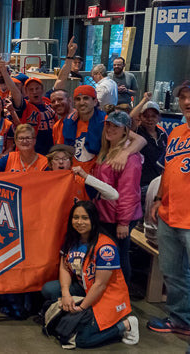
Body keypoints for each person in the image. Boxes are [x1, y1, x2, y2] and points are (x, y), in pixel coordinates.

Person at [40, 201, 139, 348]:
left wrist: (81, 308)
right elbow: (65, 267)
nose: (79, 222)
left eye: (85, 218)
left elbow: (100, 284)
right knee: (50, 289)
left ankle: (127, 324)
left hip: (106, 295)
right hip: (85, 288)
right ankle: (79, 317)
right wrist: (66, 293)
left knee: (82, 340)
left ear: (93, 219)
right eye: (76, 217)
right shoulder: (72, 239)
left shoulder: (106, 247)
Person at [148, 81, 190, 336]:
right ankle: (181, 319)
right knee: (172, 274)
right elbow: (168, 169)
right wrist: (158, 198)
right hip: (169, 214)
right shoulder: (176, 133)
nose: (187, 102)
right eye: (183, 98)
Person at [91, 111, 143, 283]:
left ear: (125, 131)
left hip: (117, 218)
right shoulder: (107, 151)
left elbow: (129, 192)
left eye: (116, 126)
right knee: (110, 257)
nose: (111, 129)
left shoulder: (129, 158)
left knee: (118, 258)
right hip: (105, 215)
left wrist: (123, 222)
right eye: (109, 124)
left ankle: (122, 297)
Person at [131, 94, 167, 198]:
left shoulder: (162, 134)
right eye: (146, 116)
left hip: (159, 183)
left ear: (159, 117)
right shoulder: (137, 132)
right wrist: (144, 100)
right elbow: (131, 117)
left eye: (153, 116)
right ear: (140, 117)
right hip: (142, 185)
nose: (150, 119)